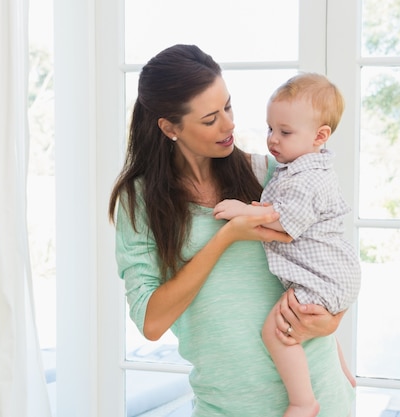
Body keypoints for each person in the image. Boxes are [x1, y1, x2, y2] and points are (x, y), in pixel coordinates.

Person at [108, 44, 355, 417]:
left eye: (228, 106)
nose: (229, 125)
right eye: (210, 119)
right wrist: (226, 237)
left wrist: (332, 318)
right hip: (228, 405)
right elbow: (151, 321)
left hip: (321, 398)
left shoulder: (273, 174)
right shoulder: (140, 200)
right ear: (169, 127)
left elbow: (327, 258)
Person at [213, 73, 361, 417]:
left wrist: (242, 210)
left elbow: (284, 223)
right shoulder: (297, 167)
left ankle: (303, 401)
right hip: (328, 272)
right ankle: (345, 375)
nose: (272, 140)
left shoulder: (308, 178)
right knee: (309, 320)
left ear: (319, 137)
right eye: (270, 129)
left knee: (277, 330)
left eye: (285, 132)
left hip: (324, 277)